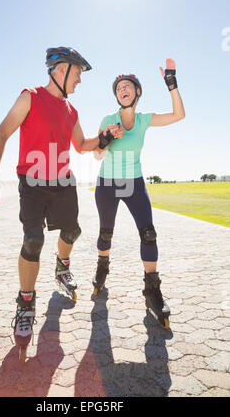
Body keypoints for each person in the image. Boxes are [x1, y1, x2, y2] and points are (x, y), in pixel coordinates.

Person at [0, 47, 120, 363]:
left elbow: (82, 145)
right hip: (31, 183)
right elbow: (2, 133)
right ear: (61, 70)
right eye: (78, 73)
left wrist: (107, 137)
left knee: (72, 231)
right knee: (33, 240)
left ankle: (62, 267)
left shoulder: (71, 111)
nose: (80, 80)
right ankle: (26, 303)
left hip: (62, 182)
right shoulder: (30, 97)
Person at [92, 59, 185, 329]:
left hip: (133, 182)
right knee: (105, 234)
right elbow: (97, 154)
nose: (123, 89)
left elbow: (179, 115)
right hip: (108, 183)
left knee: (148, 232)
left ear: (137, 92)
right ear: (117, 94)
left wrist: (171, 83)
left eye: (127, 86)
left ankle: (152, 291)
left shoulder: (144, 120)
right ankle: (102, 266)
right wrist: (106, 140)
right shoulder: (108, 120)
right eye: (119, 87)